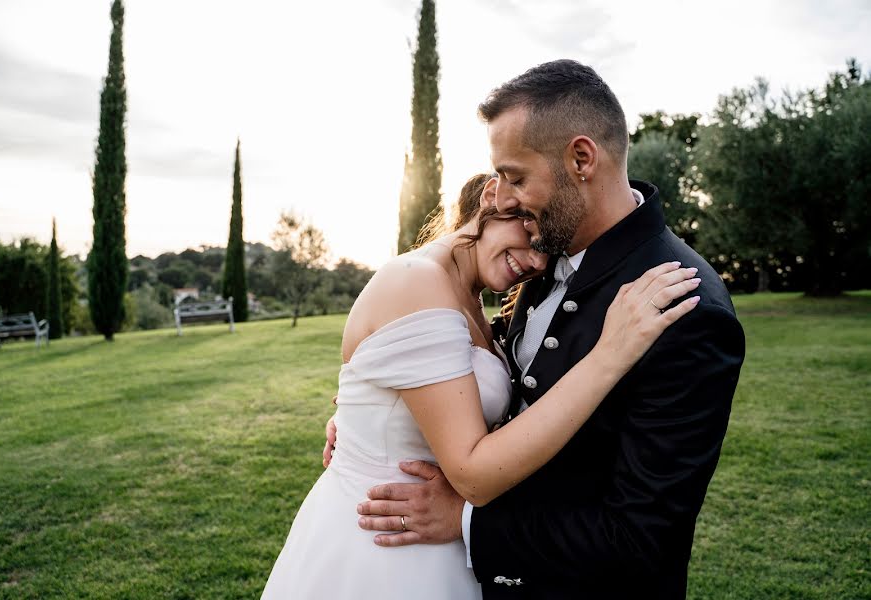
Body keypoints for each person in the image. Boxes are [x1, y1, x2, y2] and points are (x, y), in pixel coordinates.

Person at [353, 60, 746, 599]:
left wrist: (467, 522)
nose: (501, 196)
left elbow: (641, 539)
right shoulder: (551, 248)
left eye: (516, 176)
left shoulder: (683, 307)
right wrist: (385, 415)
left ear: (581, 158)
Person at [260, 171, 701, 598]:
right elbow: (473, 475)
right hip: (382, 543)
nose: (535, 264)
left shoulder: (468, 295)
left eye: (546, 253)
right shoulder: (418, 281)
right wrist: (610, 354)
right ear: (492, 196)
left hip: (438, 539)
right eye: (530, 239)